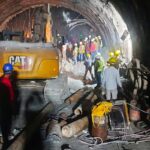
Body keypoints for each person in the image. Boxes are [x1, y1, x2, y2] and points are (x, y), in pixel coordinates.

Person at [0, 63, 15, 149]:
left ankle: (2, 134)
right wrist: (13, 107)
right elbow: (11, 97)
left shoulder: (1, 79)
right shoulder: (7, 82)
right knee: (6, 122)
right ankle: (6, 138)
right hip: (6, 105)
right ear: (10, 72)